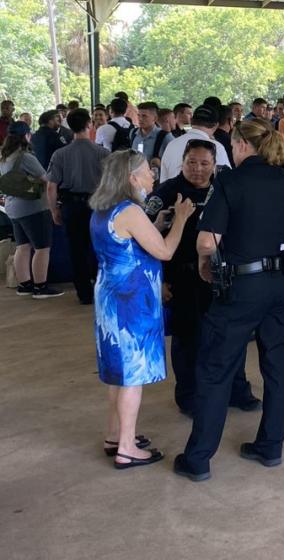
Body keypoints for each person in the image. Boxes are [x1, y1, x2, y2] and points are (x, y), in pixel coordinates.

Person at [174, 119, 284, 482]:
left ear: (240, 146)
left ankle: (199, 458)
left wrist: (206, 266)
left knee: (215, 369)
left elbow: (207, 241)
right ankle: (270, 445)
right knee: (278, 369)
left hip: (241, 288)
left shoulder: (229, 182)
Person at [89, 150, 195, 469]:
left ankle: (115, 435)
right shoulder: (130, 211)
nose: (152, 175)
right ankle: (126, 448)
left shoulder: (104, 208)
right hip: (131, 301)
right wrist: (180, 220)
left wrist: (155, 222)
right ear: (132, 177)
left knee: (117, 374)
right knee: (132, 375)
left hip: (111, 295)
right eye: (148, 170)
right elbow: (164, 251)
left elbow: (126, 240)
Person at [144, 139, 259, 417]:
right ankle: (190, 397)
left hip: (222, 275)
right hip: (182, 279)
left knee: (230, 337)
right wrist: (157, 281)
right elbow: (144, 243)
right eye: (191, 163)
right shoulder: (166, 193)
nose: (197, 169)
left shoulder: (226, 188)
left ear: (214, 164)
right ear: (181, 162)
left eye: (204, 163)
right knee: (189, 340)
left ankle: (236, 389)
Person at [45, 108, 109, 304]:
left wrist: (54, 209)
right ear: (89, 124)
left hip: (71, 207)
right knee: (100, 248)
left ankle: (84, 293)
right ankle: (102, 289)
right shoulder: (103, 152)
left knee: (76, 249)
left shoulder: (60, 154)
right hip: (98, 205)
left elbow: (51, 186)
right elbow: (112, 183)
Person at [1, 121, 61, 298]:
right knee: (42, 248)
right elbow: (46, 178)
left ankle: (24, 284)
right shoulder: (25, 157)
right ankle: (40, 287)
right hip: (33, 207)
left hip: (12, 208)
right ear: (26, 136)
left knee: (22, 246)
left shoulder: (4, 157)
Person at [159, 105, 230, 182]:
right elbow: (226, 181)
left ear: (191, 121)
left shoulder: (172, 144)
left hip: (170, 193)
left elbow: (163, 181)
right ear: (216, 125)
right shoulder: (217, 147)